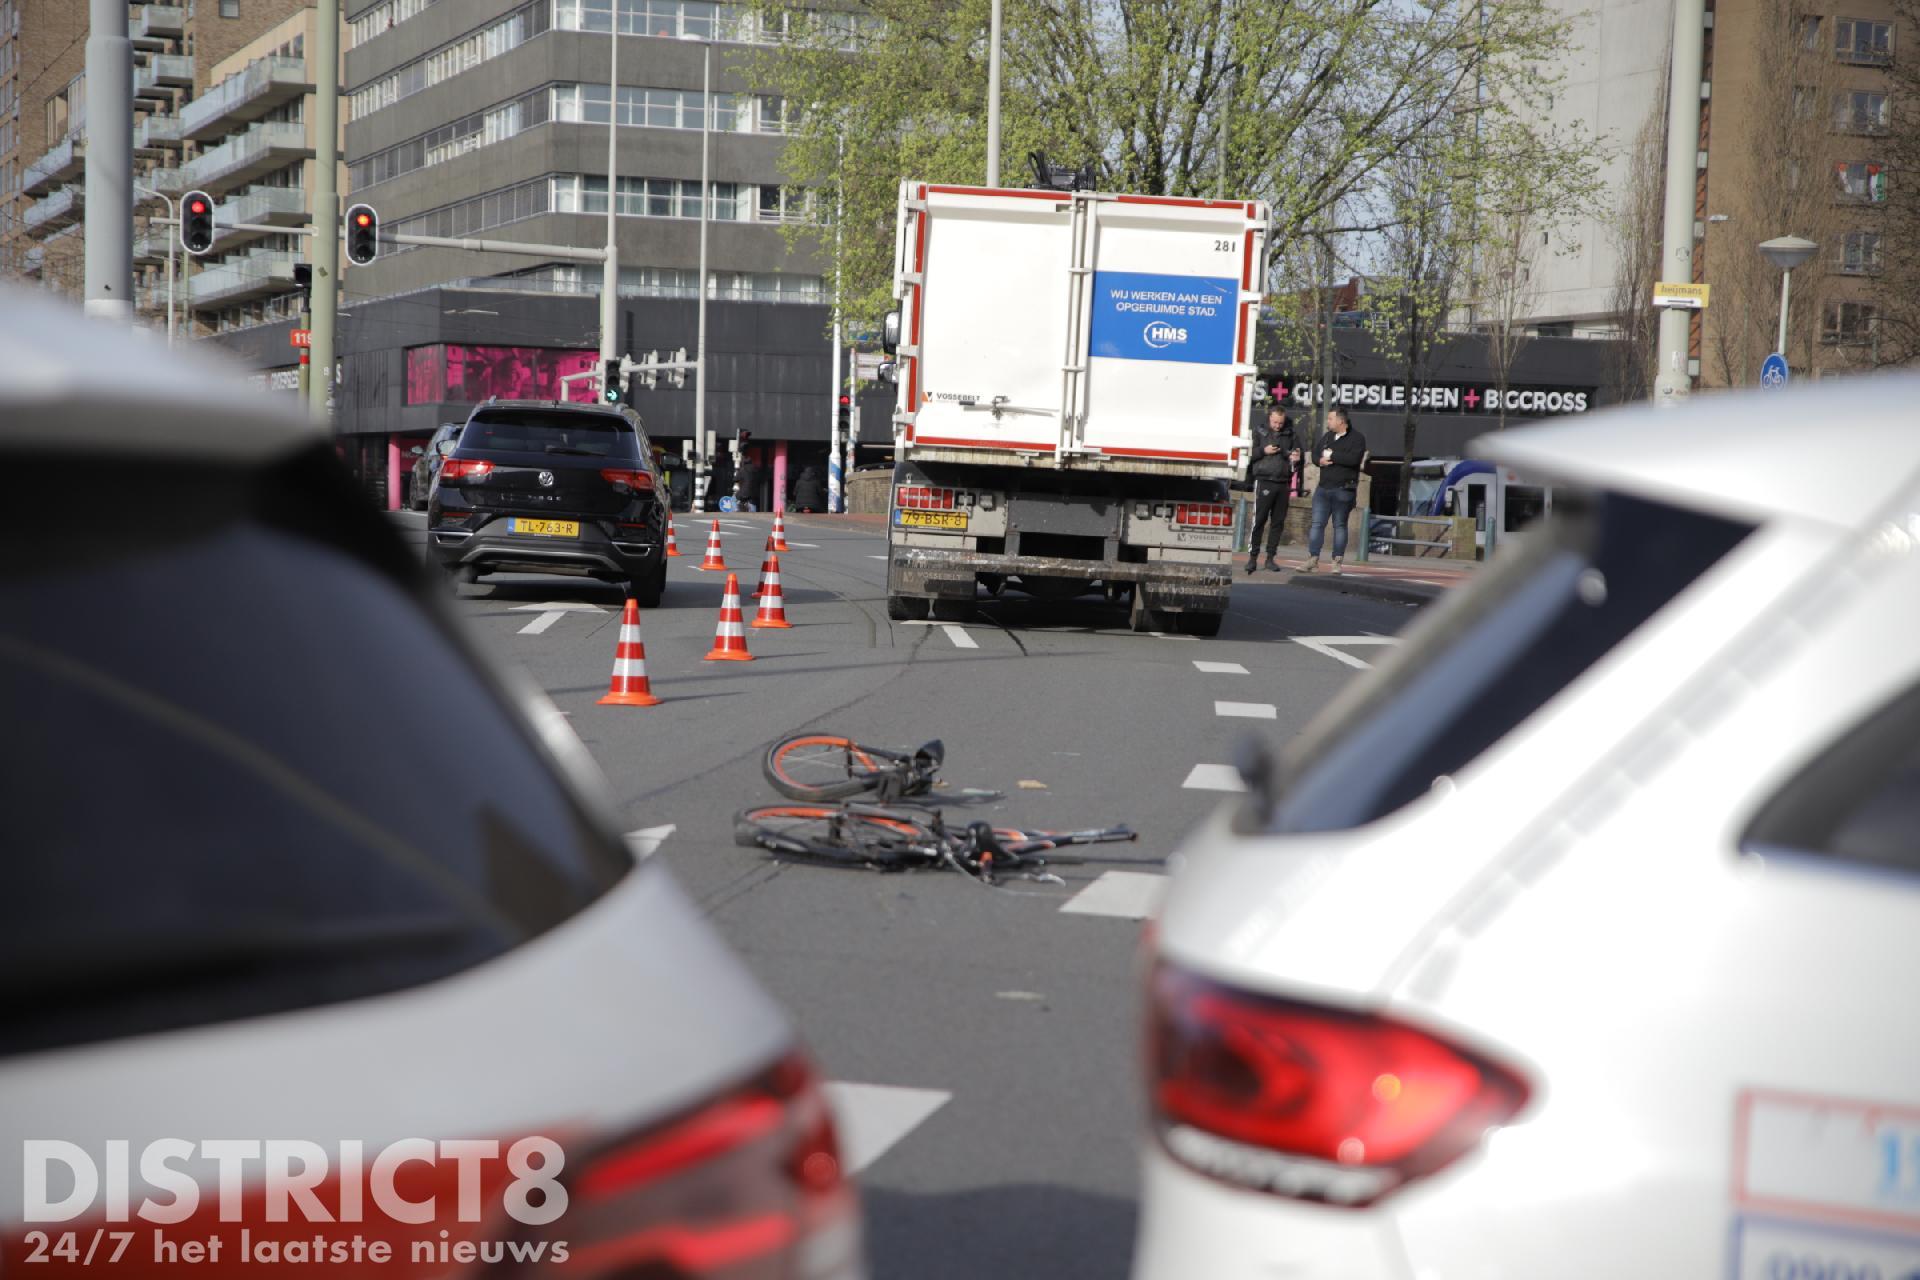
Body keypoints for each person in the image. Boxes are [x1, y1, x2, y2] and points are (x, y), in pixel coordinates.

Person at [1303, 407, 1368, 574]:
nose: (1327, 422)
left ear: (1341, 421)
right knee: (1317, 524)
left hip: (1343, 489)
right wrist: (1320, 461)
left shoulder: (1357, 438)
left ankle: (1337, 561)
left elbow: (1354, 459)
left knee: (1339, 525)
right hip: (1323, 488)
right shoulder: (1328, 436)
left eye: (1330, 419)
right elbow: (1316, 454)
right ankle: (1312, 559)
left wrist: (1332, 456)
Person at [1244, 407, 1298, 573]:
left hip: (1283, 482)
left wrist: (1296, 457)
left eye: (1280, 423)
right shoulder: (1259, 432)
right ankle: (1252, 558)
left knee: (1278, 523)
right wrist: (1263, 450)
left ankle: (1270, 558)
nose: (1277, 426)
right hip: (1264, 480)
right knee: (1259, 520)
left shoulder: (1290, 434)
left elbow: (1298, 455)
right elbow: (1246, 454)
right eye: (1275, 422)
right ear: (1269, 419)